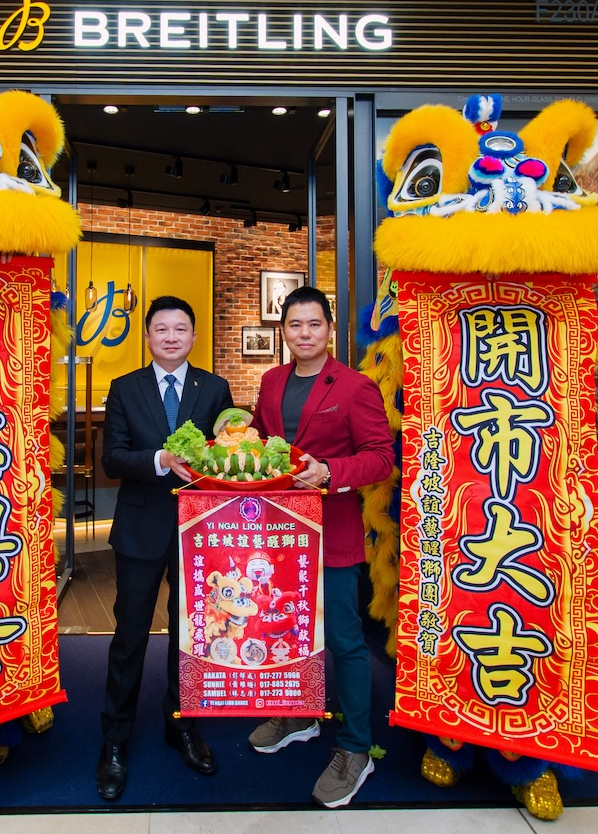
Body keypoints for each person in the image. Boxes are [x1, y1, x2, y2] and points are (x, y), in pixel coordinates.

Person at [245, 285, 393, 808]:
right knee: (287, 631)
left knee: (345, 640)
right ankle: (298, 712)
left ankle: (356, 747)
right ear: (283, 331)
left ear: (330, 329)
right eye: (294, 325)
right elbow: (262, 440)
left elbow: (381, 457)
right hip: (279, 535)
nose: (304, 334)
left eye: (314, 324)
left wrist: (329, 471)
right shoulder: (271, 380)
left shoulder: (354, 386)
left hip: (333, 532)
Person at [96, 295, 235, 801]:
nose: (171, 337)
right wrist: (159, 459)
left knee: (191, 634)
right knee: (129, 635)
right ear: (148, 336)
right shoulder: (124, 387)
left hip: (200, 532)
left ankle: (182, 725)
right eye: (162, 329)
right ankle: (114, 738)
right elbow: (113, 458)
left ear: (194, 336)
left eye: (180, 329)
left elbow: (228, 450)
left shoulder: (214, 388)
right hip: (140, 528)